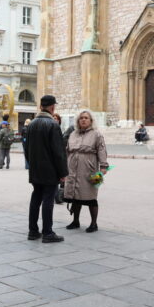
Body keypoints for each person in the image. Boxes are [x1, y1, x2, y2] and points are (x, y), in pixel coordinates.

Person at [23, 95, 68, 243]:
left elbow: (26, 149)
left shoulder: (32, 124)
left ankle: (33, 231)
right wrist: (62, 173)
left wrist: (31, 164)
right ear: (52, 107)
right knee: (48, 200)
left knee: (36, 197)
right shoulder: (53, 125)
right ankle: (48, 232)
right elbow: (58, 152)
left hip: (35, 169)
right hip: (50, 170)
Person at [64, 110, 109, 233]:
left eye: (86, 118)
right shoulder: (73, 134)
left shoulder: (96, 134)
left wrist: (103, 166)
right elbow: (67, 151)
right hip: (72, 169)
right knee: (75, 197)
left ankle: (94, 223)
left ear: (91, 121)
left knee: (91, 198)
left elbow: (101, 150)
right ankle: (75, 221)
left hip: (90, 170)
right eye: (81, 118)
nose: (83, 120)